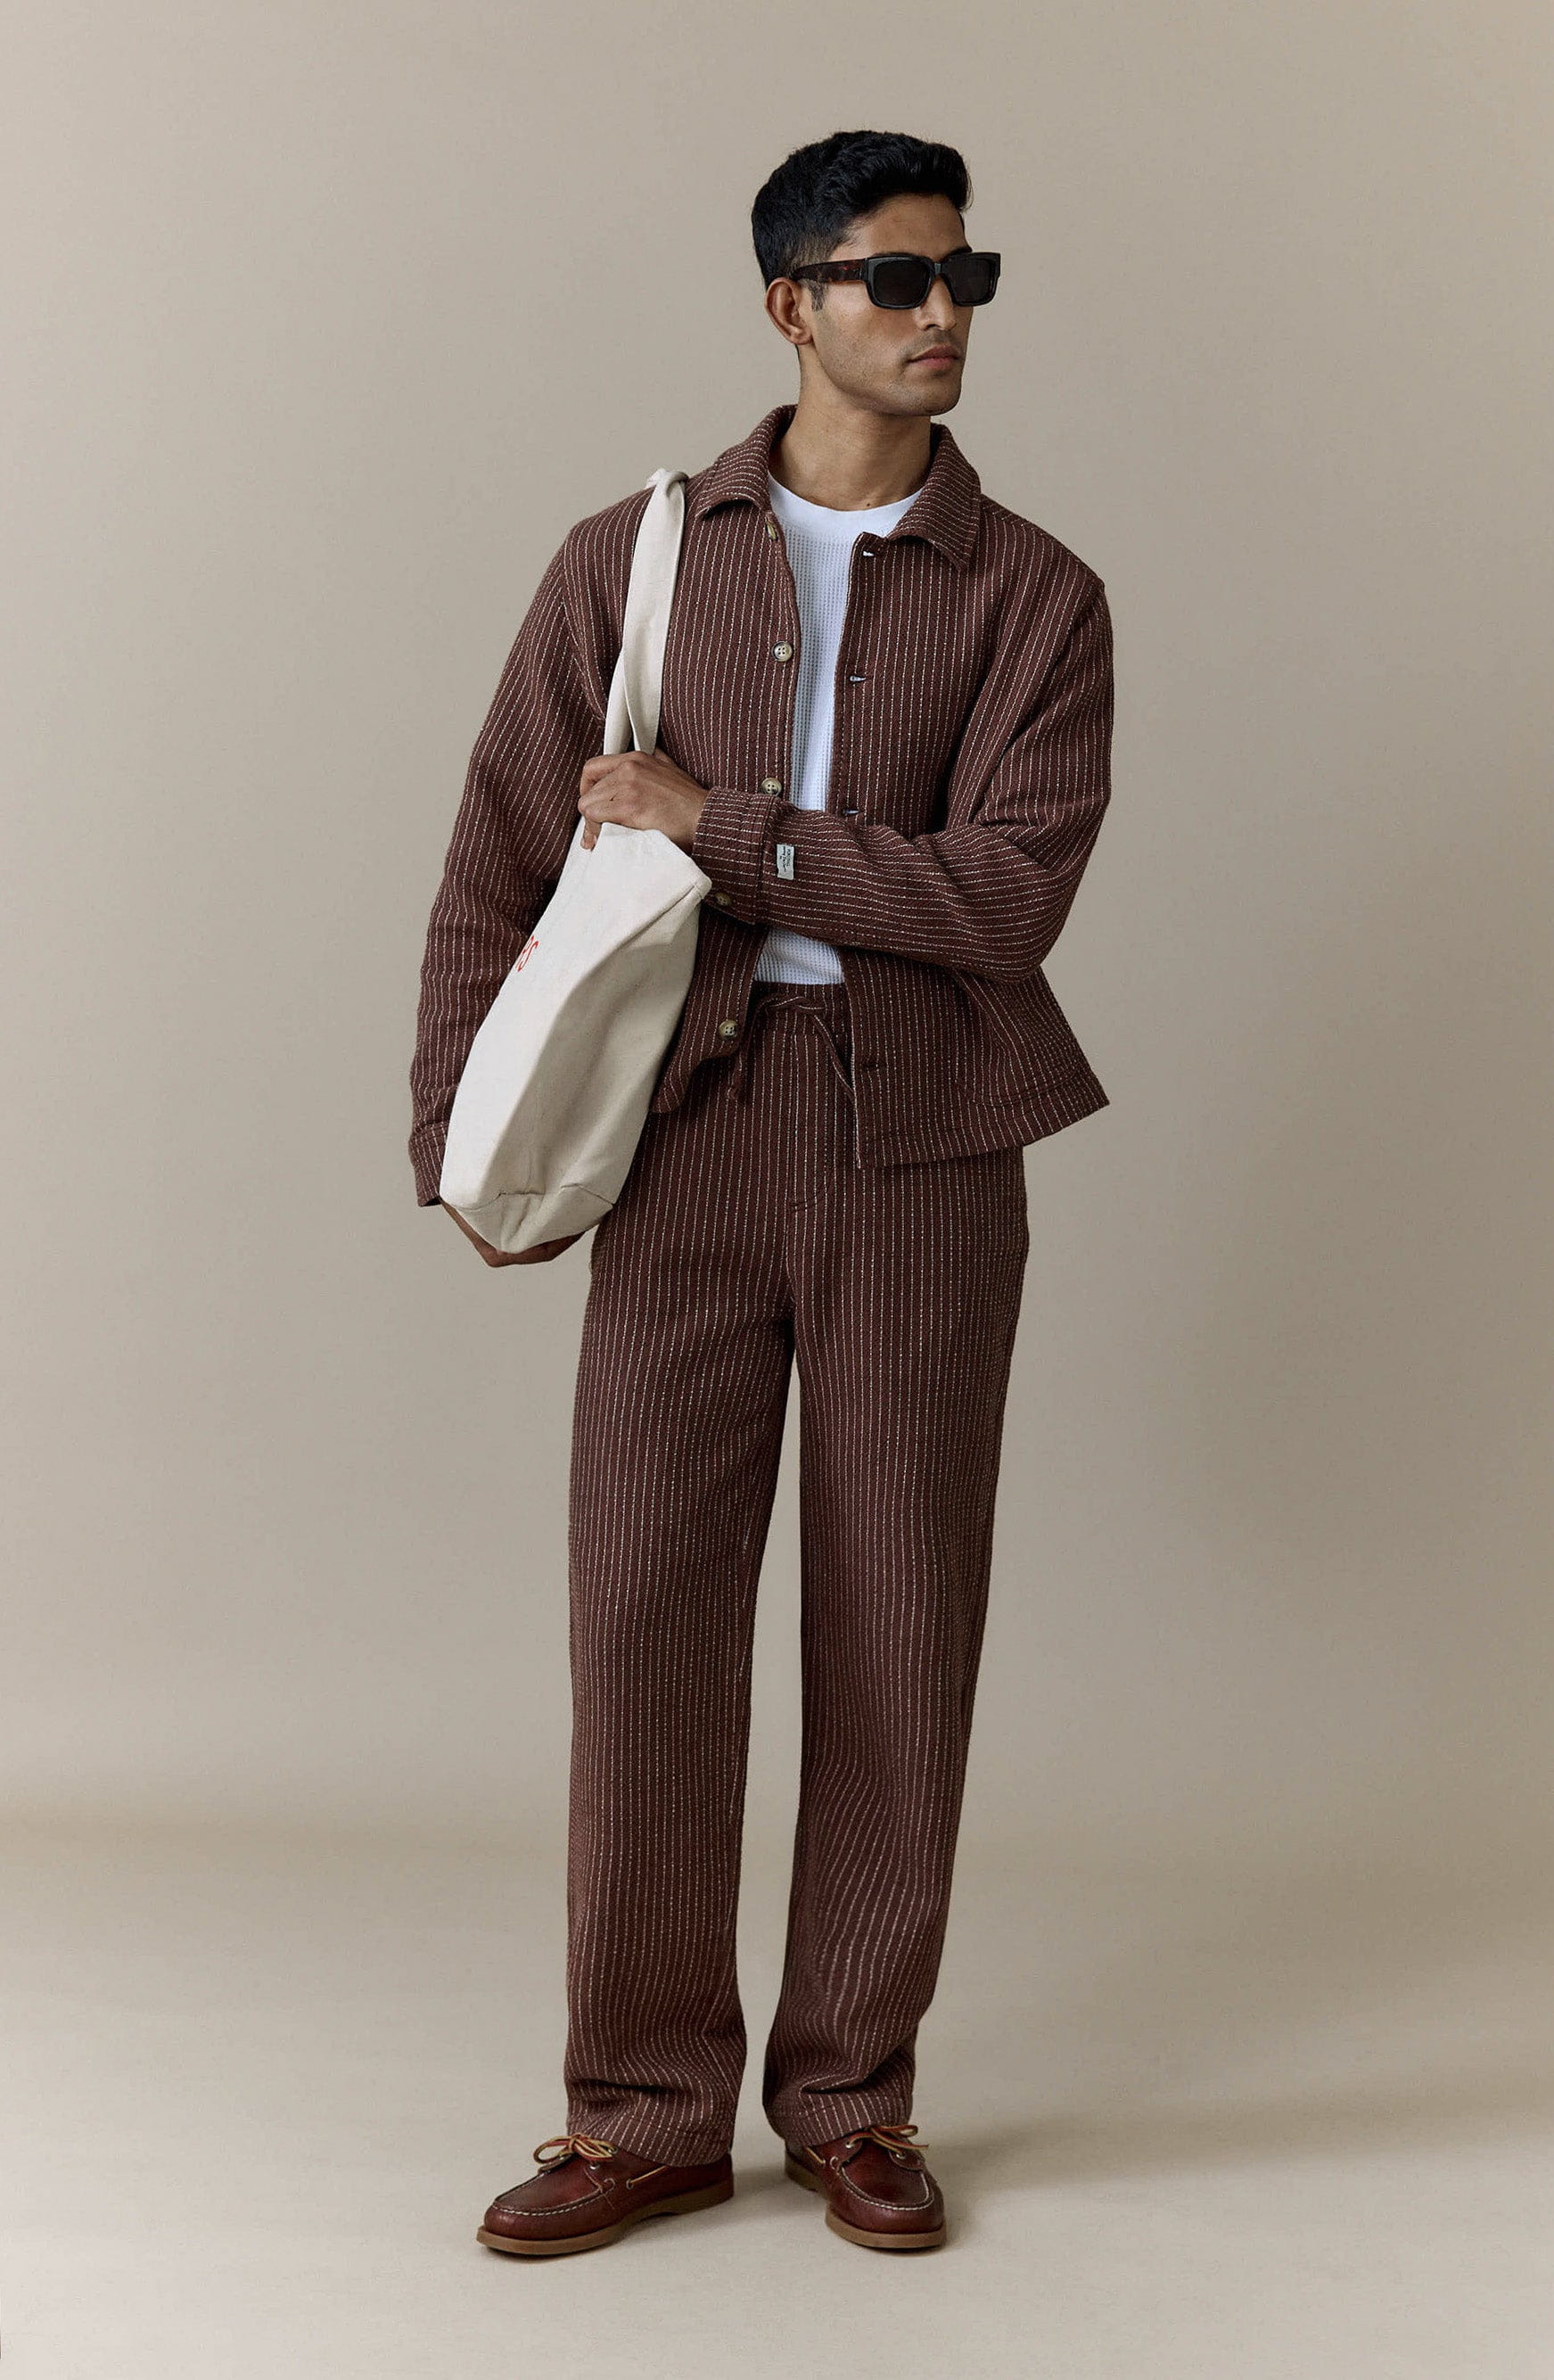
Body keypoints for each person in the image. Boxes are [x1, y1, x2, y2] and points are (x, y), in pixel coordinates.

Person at [408, 128, 1114, 2257]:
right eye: (894, 276)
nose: (939, 313)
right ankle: (638, 2107)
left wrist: (740, 832)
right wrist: (459, 1123)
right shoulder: (629, 560)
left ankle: (850, 2095)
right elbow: (495, 862)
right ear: (786, 303)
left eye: (964, 275)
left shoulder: (1035, 598)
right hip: (687, 1141)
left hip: (922, 1149)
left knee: (900, 1620)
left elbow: (1002, 903)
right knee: (642, 1623)